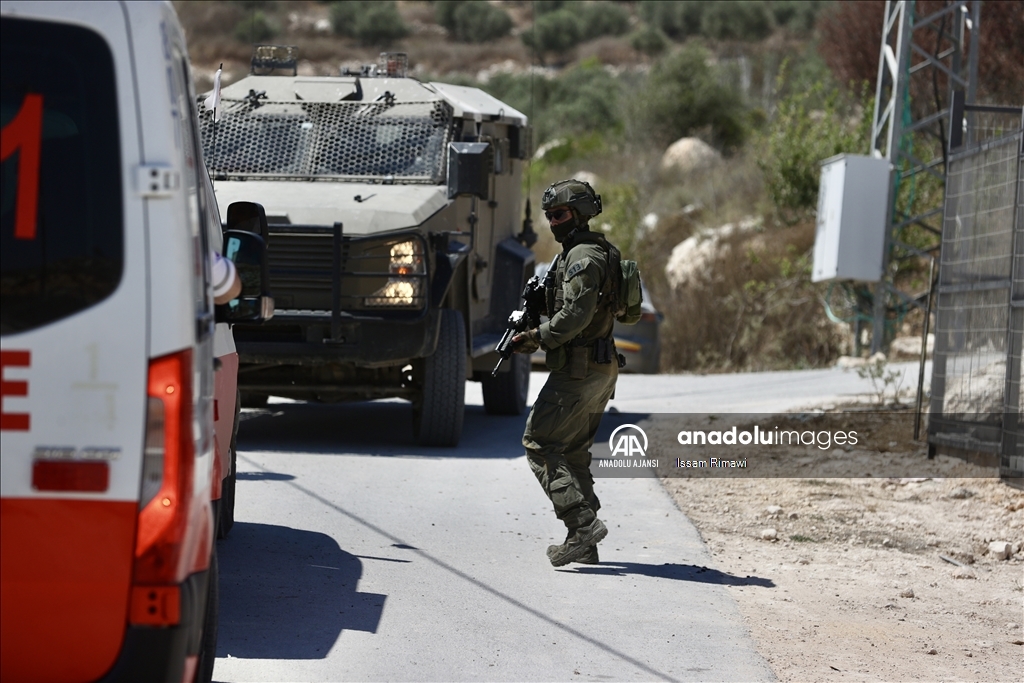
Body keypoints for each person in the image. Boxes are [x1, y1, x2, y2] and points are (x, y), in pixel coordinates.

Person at [512, 178, 620, 567]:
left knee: (538, 443)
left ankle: (581, 525)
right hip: (600, 369)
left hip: (579, 369)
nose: (553, 222)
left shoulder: (582, 258)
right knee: (573, 453)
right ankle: (585, 543)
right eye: (549, 216)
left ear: (579, 215)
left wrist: (536, 337)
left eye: (559, 214)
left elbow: (575, 315)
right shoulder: (597, 251)